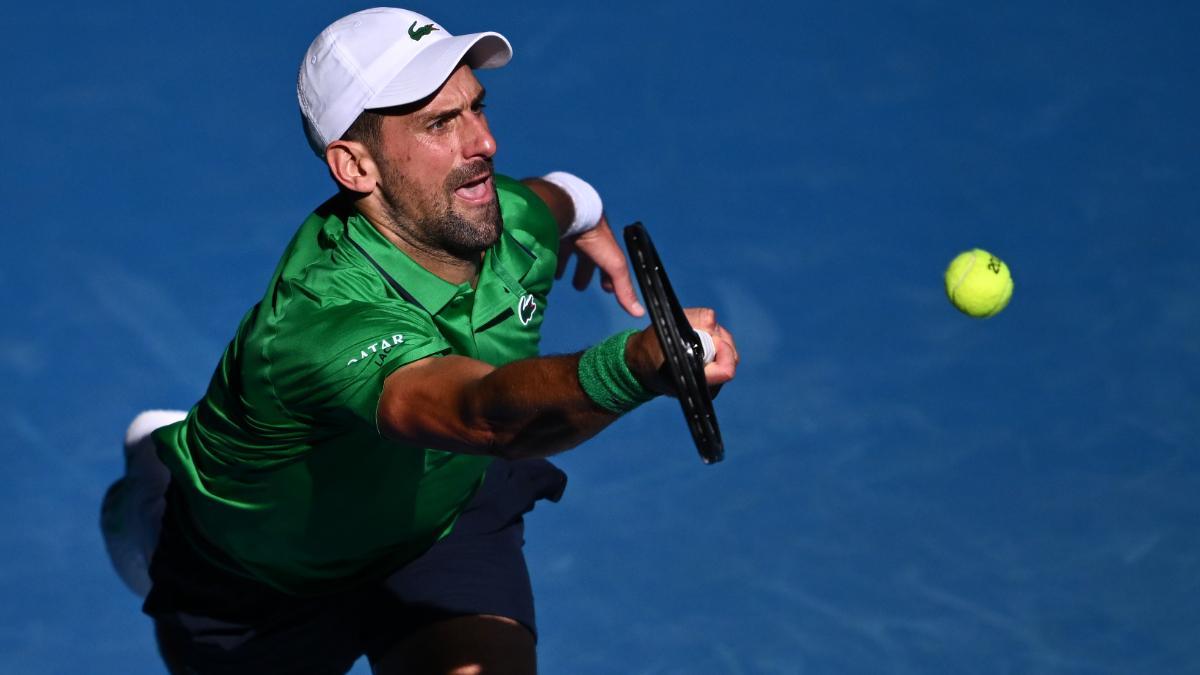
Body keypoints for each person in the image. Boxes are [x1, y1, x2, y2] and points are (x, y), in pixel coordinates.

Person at [100, 7, 738, 674]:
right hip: (260, 583)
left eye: (476, 107)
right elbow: (483, 415)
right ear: (356, 166)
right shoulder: (322, 322)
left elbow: (546, 200)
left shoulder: (503, 218)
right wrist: (631, 365)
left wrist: (584, 207)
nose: (484, 142)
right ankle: (156, 493)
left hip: (436, 514)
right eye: (440, 123)